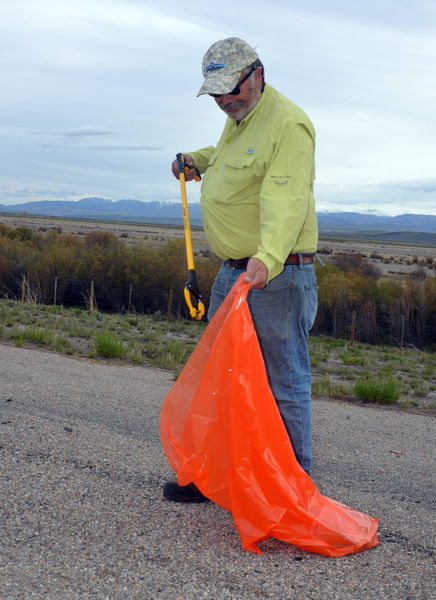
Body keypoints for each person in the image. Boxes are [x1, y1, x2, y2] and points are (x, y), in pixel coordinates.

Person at [164, 37, 319, 503]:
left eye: (231, 90)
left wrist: (266, 259)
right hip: (235, 272)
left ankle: (289, 492)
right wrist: (197, 159)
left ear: (257, 74)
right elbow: (228, 155)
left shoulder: (288, 124)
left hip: (274, 274)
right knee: (225, 376)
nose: (224, 101)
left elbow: (287, 200)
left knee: (282, 382)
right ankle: (221, 477)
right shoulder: (240, 119)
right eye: (215, 94)